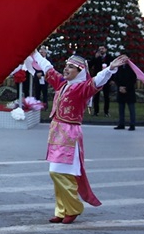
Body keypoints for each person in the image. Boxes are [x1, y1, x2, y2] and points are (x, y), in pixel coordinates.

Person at [32, 50, 127, 224]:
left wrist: (110, 69)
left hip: (69, 135)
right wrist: (34, 53)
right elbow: (47, 67)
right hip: (56, 133)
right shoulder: (62, 84)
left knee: (60, 172)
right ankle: (61, 210)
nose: (66, 69)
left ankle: (73, 208)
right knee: (56, 173)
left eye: (71, 67)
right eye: (66, 66)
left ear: (80, 71)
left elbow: (97, 81)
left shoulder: (82, 88)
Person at [89, 45, 114, 117]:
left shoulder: (109, 58)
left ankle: (106, 111)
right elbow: (90, 65)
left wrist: (112, 80)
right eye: (100, 49)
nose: (101, 50)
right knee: (96, 96)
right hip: (98, 79)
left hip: (107, 79)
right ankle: (96, 111)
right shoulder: (97, 58)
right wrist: (94, 58)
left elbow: (113, 69)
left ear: (106, 49)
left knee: (106, 96)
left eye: (102, 49)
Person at [114, 62, 138, 131]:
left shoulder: (132, 67)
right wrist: (120, 86)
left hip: (129, 91)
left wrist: (126, 88)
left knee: (131, 109)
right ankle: (121, 124)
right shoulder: (119, 67)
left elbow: (133, 79)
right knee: (121, 109)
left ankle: (132, 125)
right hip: (120, 90)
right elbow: (116, 77)